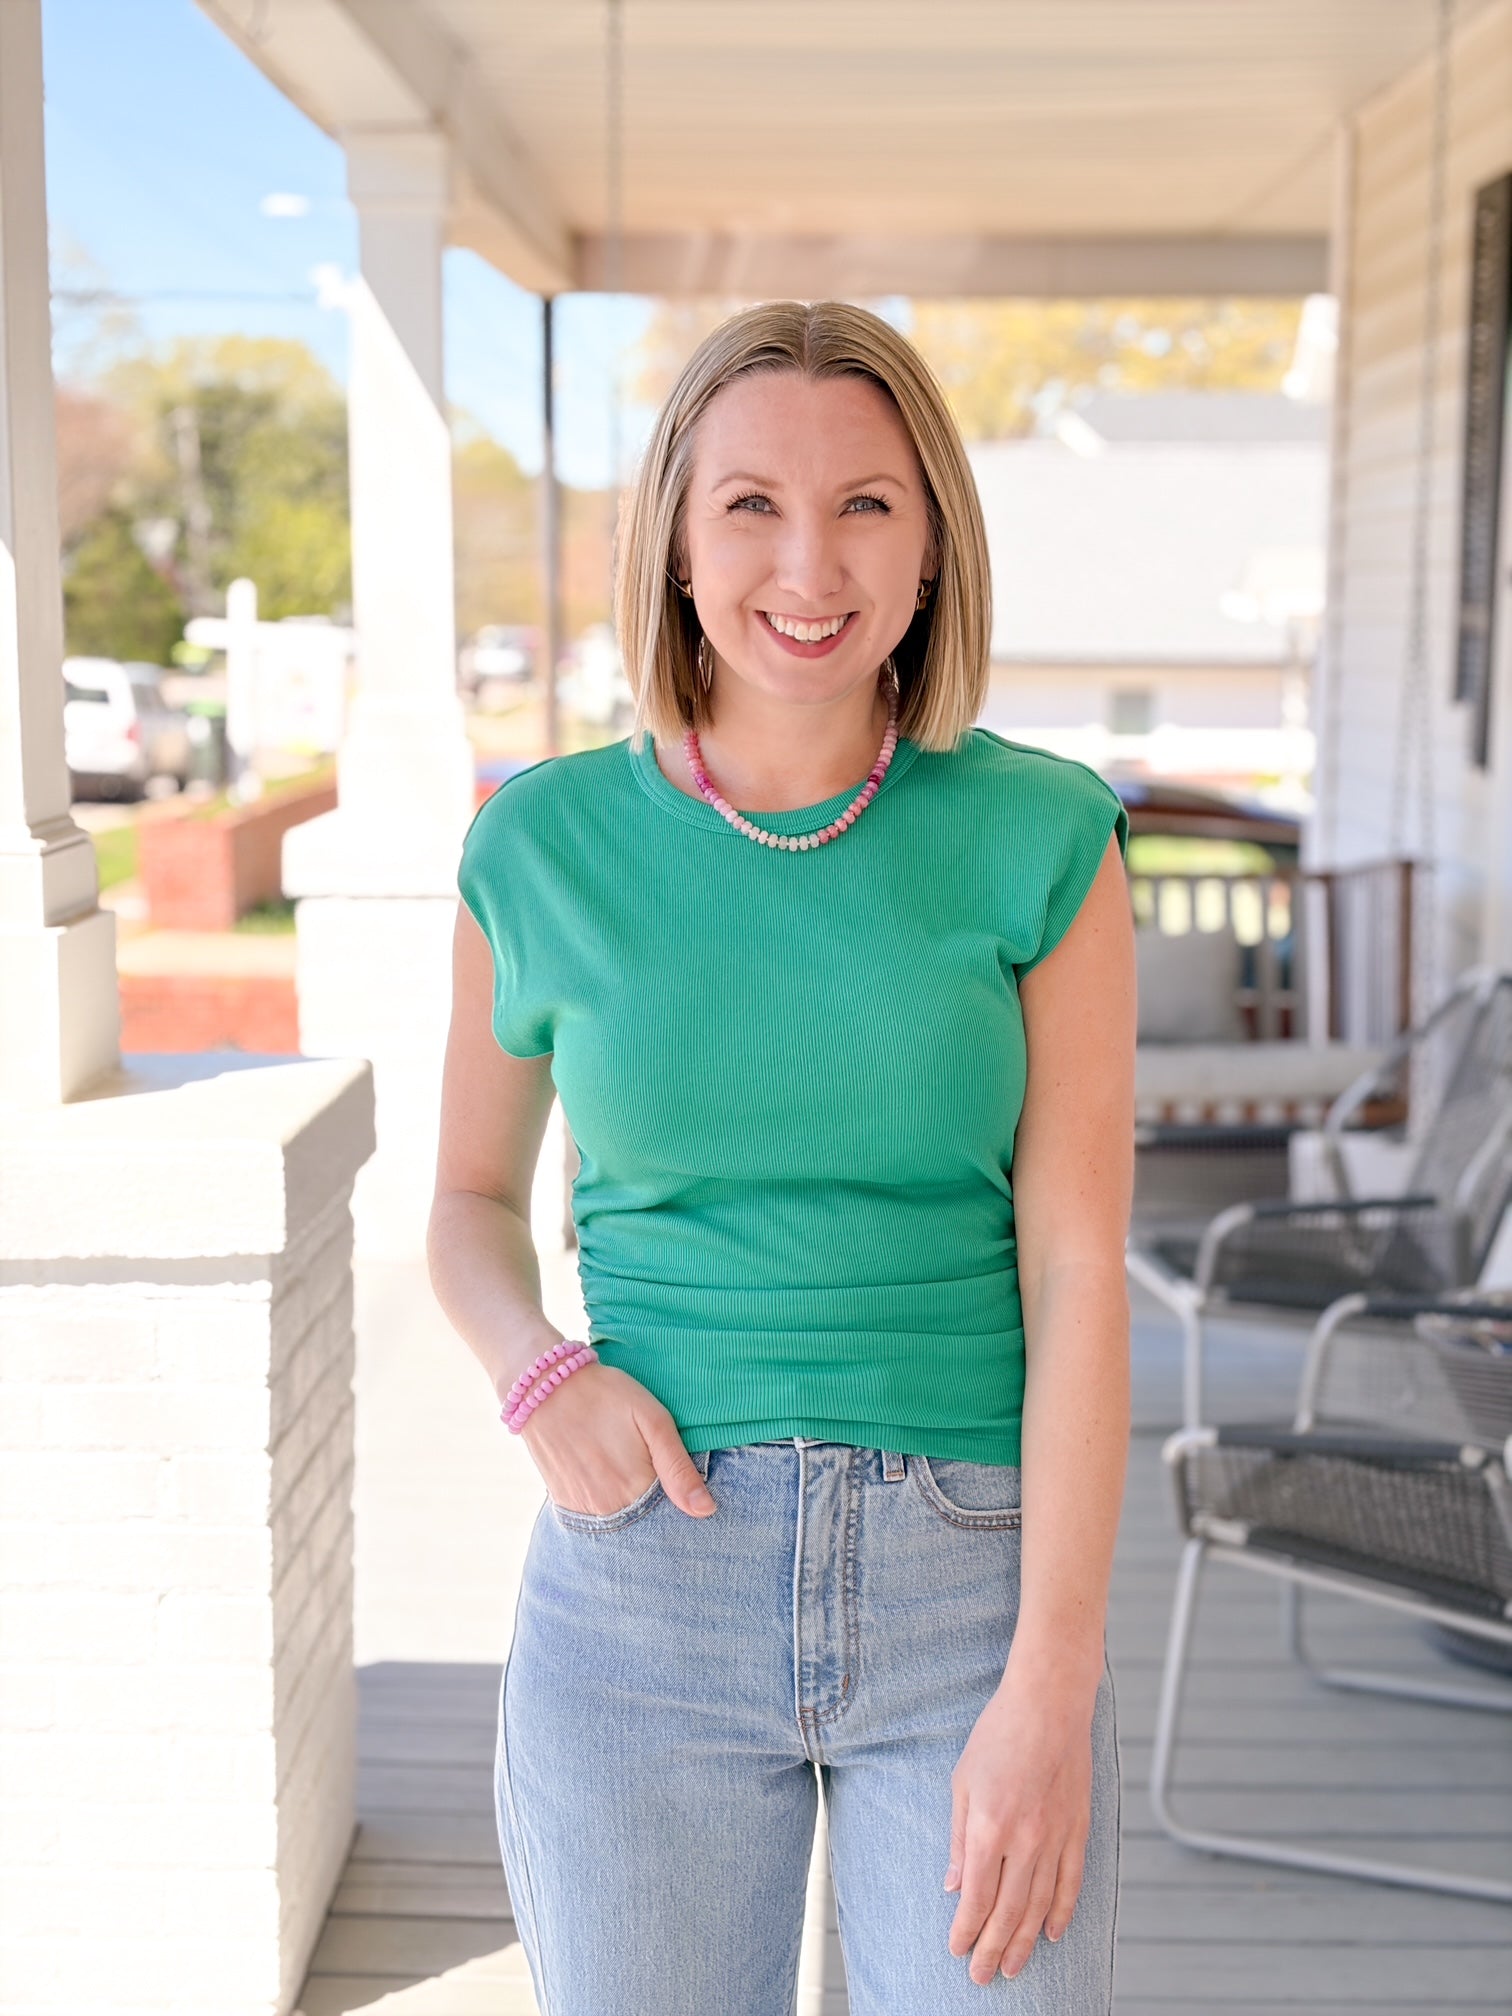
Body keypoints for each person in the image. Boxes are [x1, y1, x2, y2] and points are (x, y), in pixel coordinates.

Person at [428, 298, 1135, 2015]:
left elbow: (1080, 1269)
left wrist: (1053, 1680)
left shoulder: (1043, 836)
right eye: (750, 504)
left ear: (932, 543)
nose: (808, 565)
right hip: (644, 1588)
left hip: (973, 1587)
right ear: (676, 541)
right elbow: (464, 1204)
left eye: (865, 504)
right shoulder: (541, 843)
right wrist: (535, 1373)